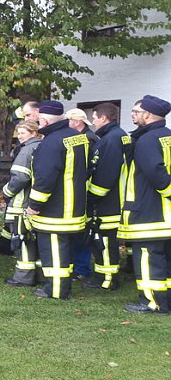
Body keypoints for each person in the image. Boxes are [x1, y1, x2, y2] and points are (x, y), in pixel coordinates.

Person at [26, 100, 90, 299]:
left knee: (54, 250)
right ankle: (63, 285)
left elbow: (45, 178)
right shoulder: (78, 137)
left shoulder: (51, 142)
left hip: (55, 209)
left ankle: (55, 290)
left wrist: (34, 205)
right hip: (75, 206)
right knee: (64, 251)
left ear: (45, 121)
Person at [119, 95, 171, 313]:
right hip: (165, 215)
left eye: (137, 112)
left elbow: (155, 173)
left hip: (149, 213)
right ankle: (165, 301)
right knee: (165, 261)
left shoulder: (147, 140)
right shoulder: (167, 136)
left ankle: (153, 302)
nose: (133, 115)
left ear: (147, 115)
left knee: (149, 259)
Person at [83, 103, 131, 290]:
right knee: (105, 241)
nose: (93, 122)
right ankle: (105, 276)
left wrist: (91, 197)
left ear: (103, 118)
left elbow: (106, 174)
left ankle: (107, 279)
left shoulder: (111, 139)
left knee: (104, 241)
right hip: (115, 199)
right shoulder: (118, 136)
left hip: (109, 202)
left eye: (94, 117)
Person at [2, 121, 42, 286]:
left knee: (23, 240)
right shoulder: (42, 146)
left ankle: (23, 278)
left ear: (33, 133)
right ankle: (40, 276)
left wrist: (6, 192)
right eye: (18, 133)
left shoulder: (26, 150)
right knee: (36, 242)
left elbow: (20, 177)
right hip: (36, 201)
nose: (19, 136)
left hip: (22, 203)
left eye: (23, 133)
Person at [66, 108, 100, 280]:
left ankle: (82, 269)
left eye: (68, 121)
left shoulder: (88, 140)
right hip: (80, 192)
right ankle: (77, 267)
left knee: (81, 232)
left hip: (85, 193)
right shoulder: (86, 138)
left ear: (76, 122)